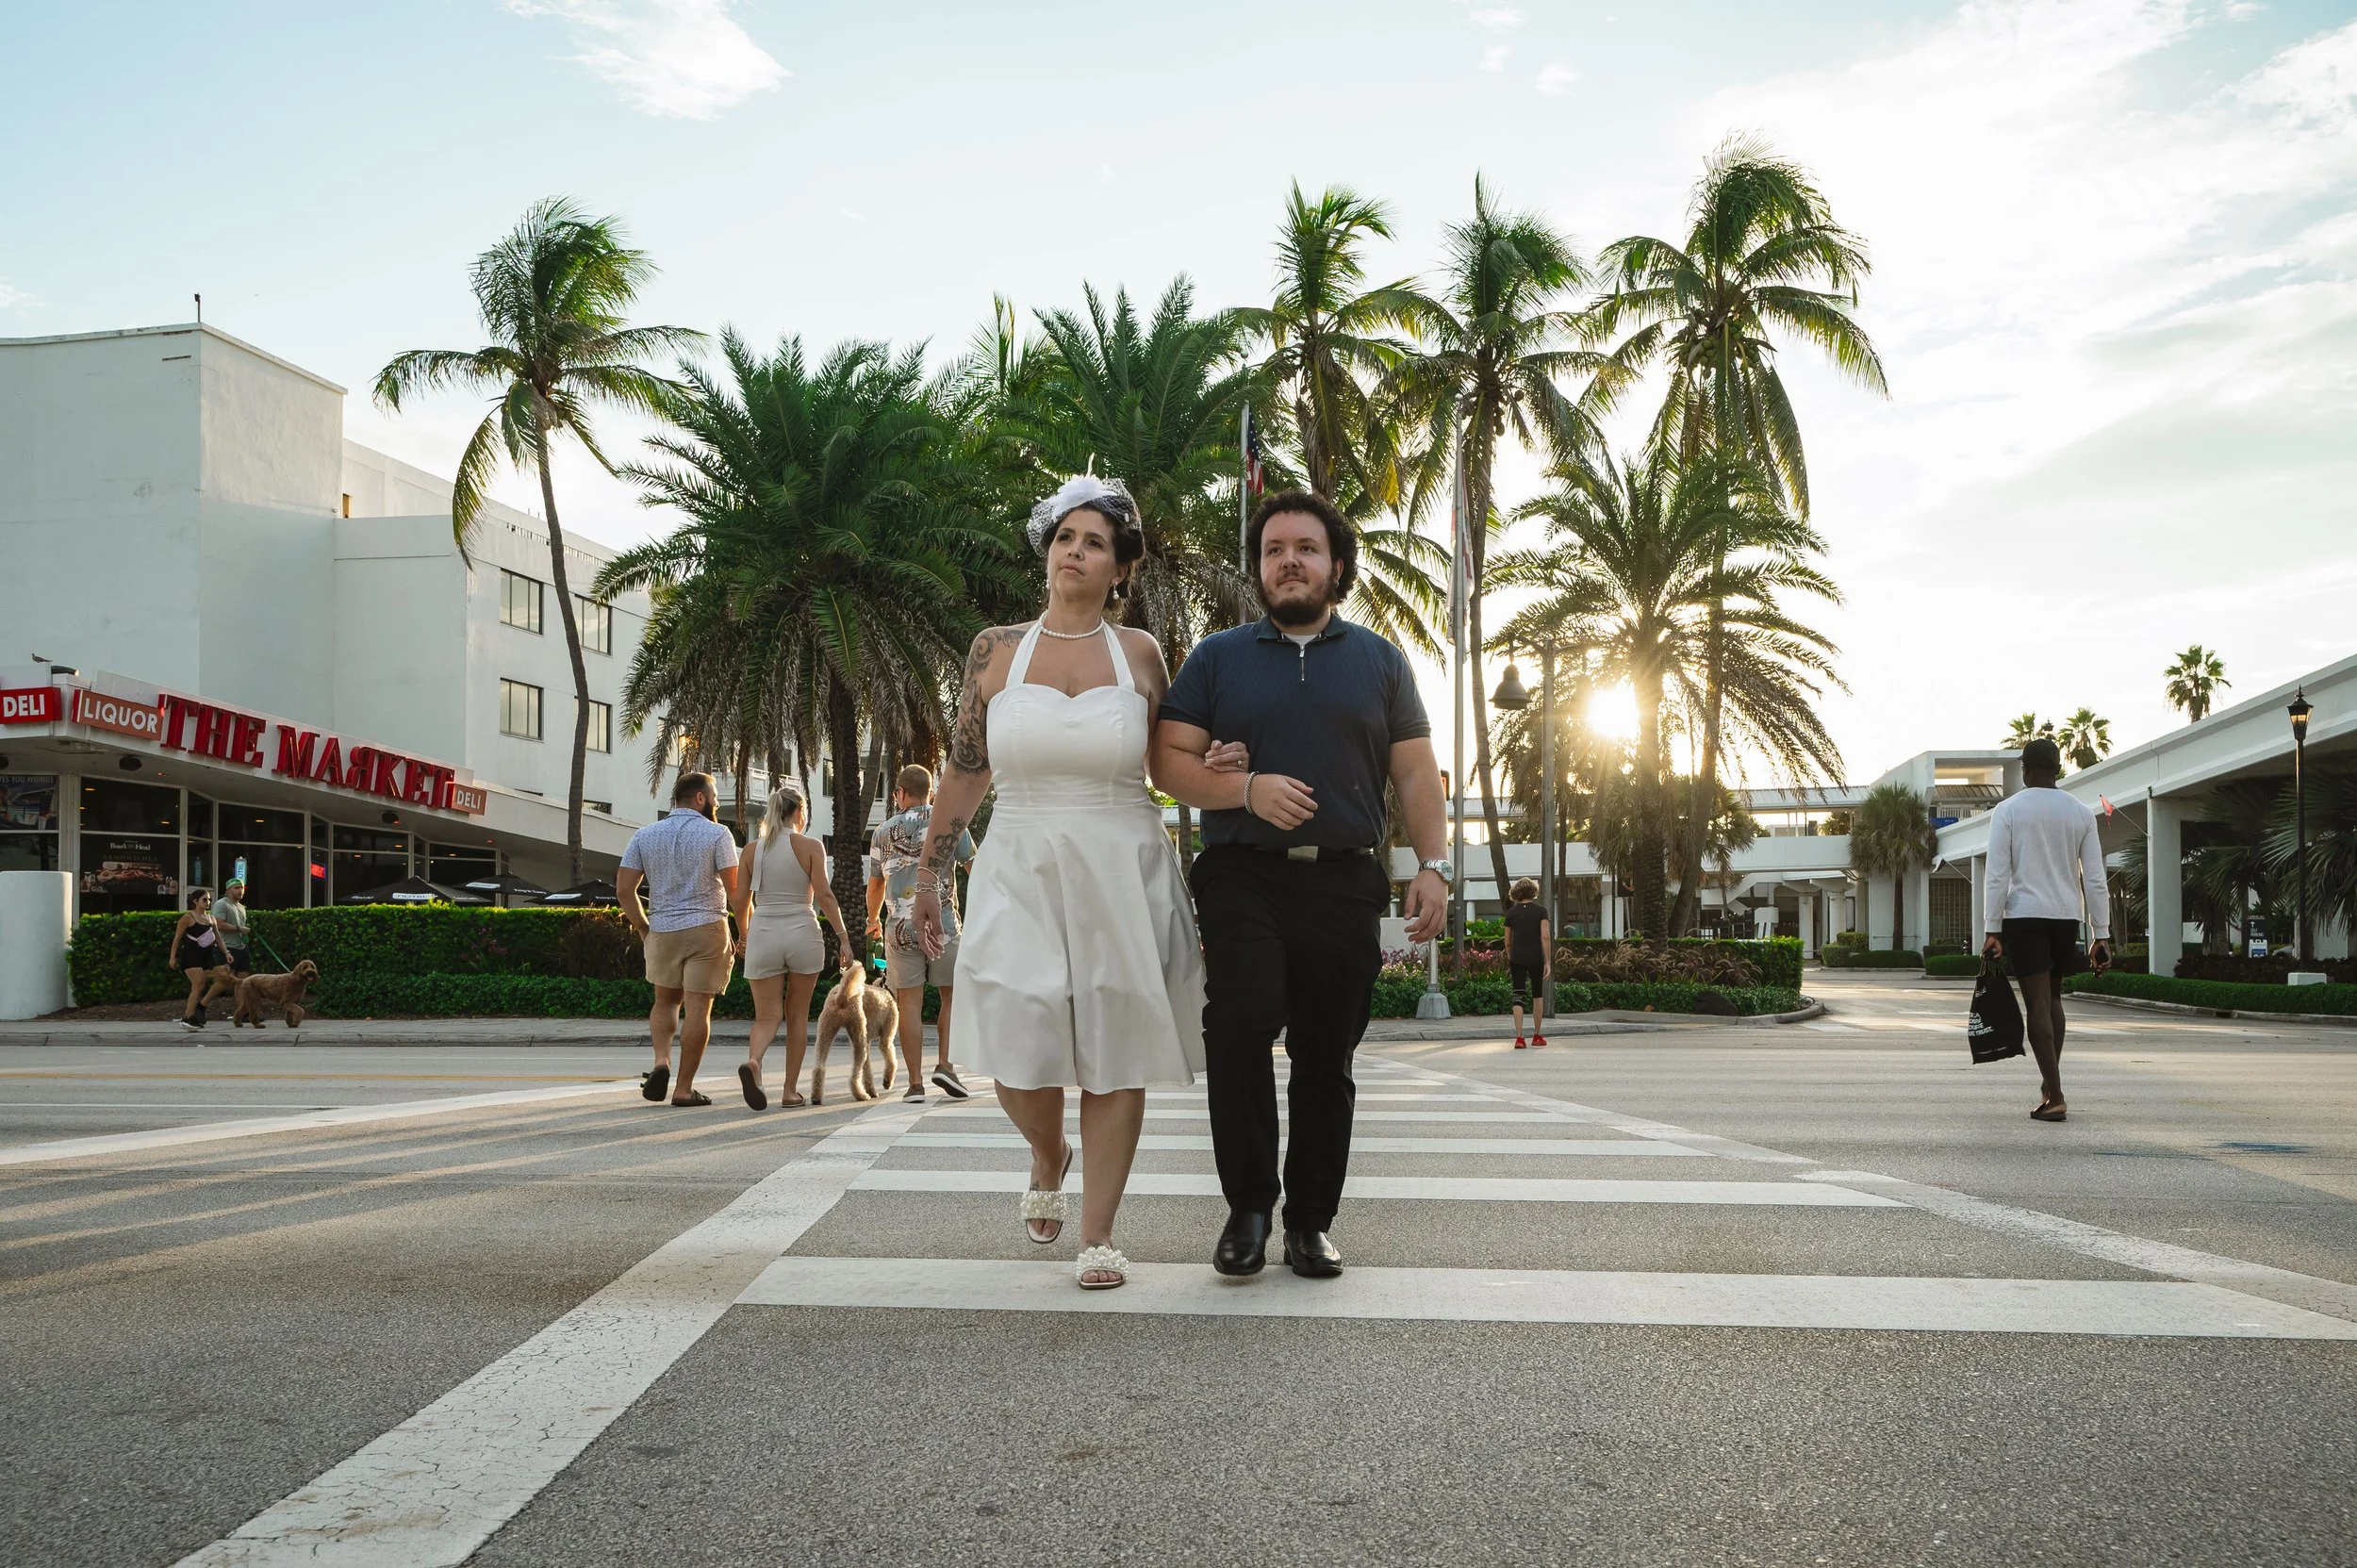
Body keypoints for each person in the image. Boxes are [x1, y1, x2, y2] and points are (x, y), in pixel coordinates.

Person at [913, 473, 1244, 1291]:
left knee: (1114, 1050)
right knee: (1018, 1043)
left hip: (1122, 856)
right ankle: (1046, 1148)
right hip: (1019, 856)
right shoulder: (994, 649)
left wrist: (1217, 765)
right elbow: (963, 770)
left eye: (1095, 542)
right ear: (1048, 548)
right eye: (1066, 537)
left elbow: (1168, 762)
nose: (1076, 551)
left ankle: (1099, 1231)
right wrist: (927, 875)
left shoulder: (1140, 655)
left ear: (1119, 567)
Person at [1150, 488, 1451, 1279]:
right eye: (1274, 548)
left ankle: (1310, 1221)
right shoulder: (1218, 656)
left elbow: (1415, 771)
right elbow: (1167, 760)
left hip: (1347, 879)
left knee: (1327, 1051)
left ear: (1336, 565)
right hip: (1241, 870)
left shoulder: (1381, 661)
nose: (1288, 559)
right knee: (1241, 1022)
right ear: (1259, 569)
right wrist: (1242, 790)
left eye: (1305, 548)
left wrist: (1433, 863)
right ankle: (1248, 1208)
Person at [1981, 736, 2113, 1122]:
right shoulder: (2080, 812)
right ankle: (2048, 1083)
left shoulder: (2008, 810)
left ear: (2024, 769)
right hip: (2065, 917)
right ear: (2058, 769)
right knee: (2053, 1000)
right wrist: (2100, 934)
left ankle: (2054, 1095)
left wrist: (1993, 928)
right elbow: (2095, 879)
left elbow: (1997, 875)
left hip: (2024, 917)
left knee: (2037, 1005)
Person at [618, 771, 741, 1108]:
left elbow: (624, 890)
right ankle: (684, 1089)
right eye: (713, 795)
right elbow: (735, 890)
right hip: (707, 929)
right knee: (699, 1010)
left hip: (663, 929)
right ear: (700, 798)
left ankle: (661, 1062)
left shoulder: (645, 835)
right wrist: (746, 930)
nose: (715, 802)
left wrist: (644, 927)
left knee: (666, 1001)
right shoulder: (718, 834)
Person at [730, 780, 847, 1110]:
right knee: (797, 1016)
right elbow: (824, 895)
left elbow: (740, 900)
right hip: (802, 932)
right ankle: (790, 1091)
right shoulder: (811, 846)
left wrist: (744, 935)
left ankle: (754, 1062)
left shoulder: (752, 850)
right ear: (798, 813)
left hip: (764, 930)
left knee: (766, 1017)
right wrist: (843, 938)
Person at [867, 765, 976, 1103]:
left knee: (909, 1004)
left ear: (899, 793)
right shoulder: (952, 821)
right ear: (931, 792)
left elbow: (876, 883)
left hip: (901, 927)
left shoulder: (883, 831)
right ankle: (945, 1065)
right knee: (950, 998)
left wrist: (873, 919)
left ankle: (915, 1084)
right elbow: (975, 866)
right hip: (942, 922)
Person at [168, 888, 232, 1032]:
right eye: (204, 899)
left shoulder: (211, 918)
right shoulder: (188, 918)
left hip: (206, 956)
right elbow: (177, 938)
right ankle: (188, 1017)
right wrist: (172, 957)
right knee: (199, 984)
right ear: (195, 901)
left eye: (209, 899)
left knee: (221, 975)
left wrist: (226, 952)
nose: (207, 902)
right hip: (191, 955)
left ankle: (194, 1012)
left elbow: (218, 938)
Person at [1503, 877, 1551, 1048]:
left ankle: (1519, 1037)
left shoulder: (1511, 913)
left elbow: (1507, 941)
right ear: (1533, 892)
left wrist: (1511, 956)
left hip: (1517, 958)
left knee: (1518, 996)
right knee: (1537, 995)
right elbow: (1545, 936)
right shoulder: (1541, 911)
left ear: (1517, 893)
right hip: (1536, 957)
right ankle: (1537, 1035)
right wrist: (1548, 962)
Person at [209, 879, 253, 984]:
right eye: (236, 888)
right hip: (226, 947)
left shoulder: (242, 907)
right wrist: (239, 928)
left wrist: (242, 931)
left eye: (242, 888)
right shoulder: (221, 904)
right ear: (228, 890)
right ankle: (203, 1001)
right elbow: (218, 924)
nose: (240, 890)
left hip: (241, 947)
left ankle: (241, 1002)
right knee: (222, 983)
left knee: (243, 981)